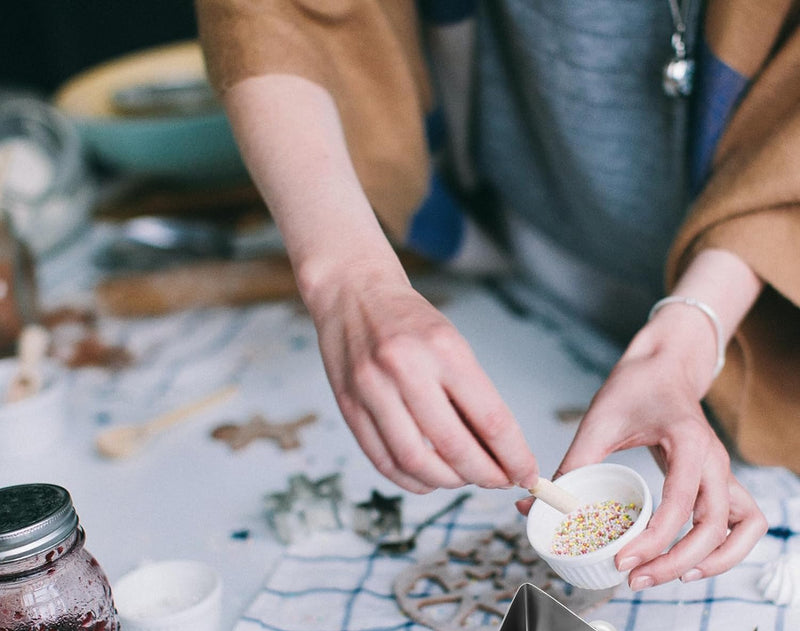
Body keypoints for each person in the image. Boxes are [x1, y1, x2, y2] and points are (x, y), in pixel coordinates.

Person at [194, 0, 800, 590]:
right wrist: (349, 276)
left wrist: (684, 341)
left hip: (762, 296)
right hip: (514, 253)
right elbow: (276, 14)